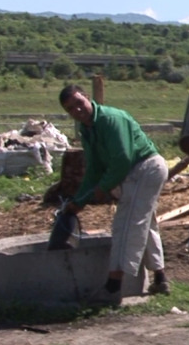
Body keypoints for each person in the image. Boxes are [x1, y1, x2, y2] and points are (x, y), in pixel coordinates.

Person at [59, 84, 170, 297]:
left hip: (145, 168)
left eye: (79, 103)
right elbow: (94, 169)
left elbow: (122, 159)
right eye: (70, 109)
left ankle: (113, 285)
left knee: (126, 224)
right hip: (135, 172)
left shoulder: (110, 119)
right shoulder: (88, 129)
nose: (77, 110)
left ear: (87, 98)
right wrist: (78, 202)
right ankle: (160, 278)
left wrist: (104, 187)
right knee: (145, 223)